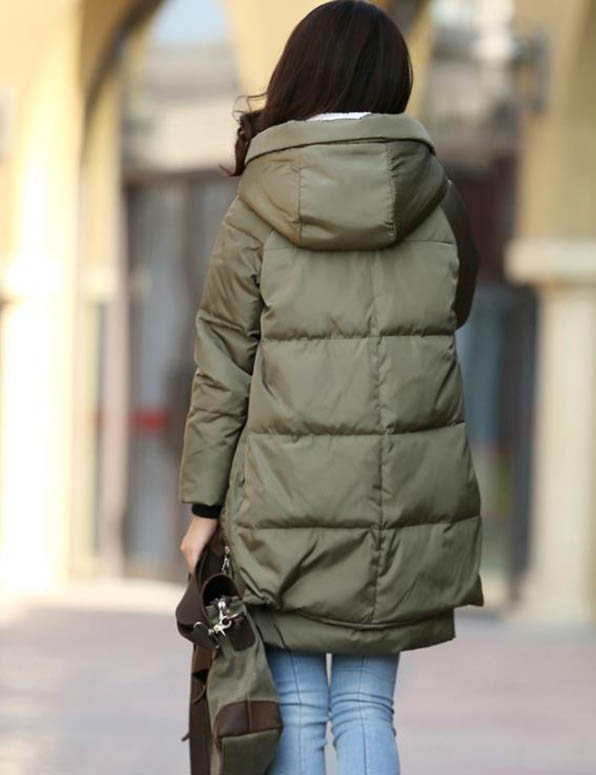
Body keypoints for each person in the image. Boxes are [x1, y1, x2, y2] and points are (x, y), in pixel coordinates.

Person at [177, 2, 483, 773]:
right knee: (367, 706)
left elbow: (223, 363)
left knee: (299, 707)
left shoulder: (259, 202)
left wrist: (203, 506)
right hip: (402, 500)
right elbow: (452, 309)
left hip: (283, 504)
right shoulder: (437, 196)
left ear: (300, 75)